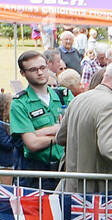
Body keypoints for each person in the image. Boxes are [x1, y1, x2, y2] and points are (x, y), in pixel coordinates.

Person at [10, 49, 73, 187]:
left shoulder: (64, 95)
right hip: (37, 175)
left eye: (42, 67)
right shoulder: (20, 103)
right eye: (33, 69)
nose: (39, 72)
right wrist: (61, 133)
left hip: (67, 169)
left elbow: (78, 130)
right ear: (23, 73)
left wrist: (42, 132)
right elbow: (32, 144)